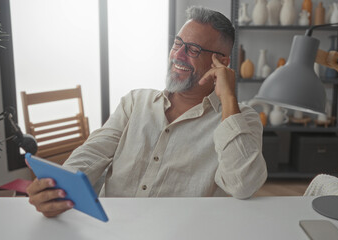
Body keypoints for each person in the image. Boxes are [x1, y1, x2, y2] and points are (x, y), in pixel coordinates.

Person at [27, 6, 267, 218]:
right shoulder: (135, 102)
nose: (178, 55)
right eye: (177, 43)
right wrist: (57, 187)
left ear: (222, 63)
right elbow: (92, 153)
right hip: (112, 228)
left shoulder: (241, 118)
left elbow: (243, 185)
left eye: (192, 49)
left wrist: (227, 97)